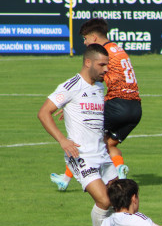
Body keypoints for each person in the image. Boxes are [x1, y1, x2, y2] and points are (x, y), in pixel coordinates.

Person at [50, 18, 142, 191]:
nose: (84, 43)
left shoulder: (103, 55)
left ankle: (66, 179)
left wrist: (76, 104)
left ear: (93, 37)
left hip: (117, 104)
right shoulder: (118, 49)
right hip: (135, 108)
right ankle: (118, 170)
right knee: (108, 145)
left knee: (85, 140)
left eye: (85, 39)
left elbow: (93, 82)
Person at [38, 44, 116, 226]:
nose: (106, 69)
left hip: (102, 154)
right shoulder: (71, 85)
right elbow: (44, 112)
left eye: (107, 65)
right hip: (81, 156)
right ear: (88, 62)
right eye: (102, 65)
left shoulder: (99, 86)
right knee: (105, 201)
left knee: (124, 199)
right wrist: (63, 140)